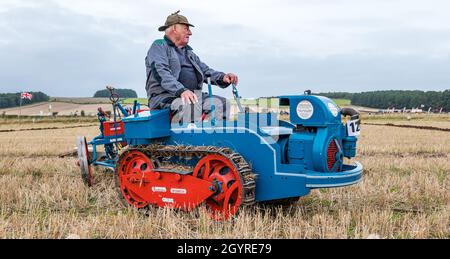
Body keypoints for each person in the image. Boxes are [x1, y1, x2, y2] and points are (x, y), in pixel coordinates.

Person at [145, 11, 239, 123]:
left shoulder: (189, 53)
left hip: (191, 97)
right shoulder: (159, 46)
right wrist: (181, 90)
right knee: (189, 107)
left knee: (223, 104)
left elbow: (205, 71)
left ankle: (213, 137)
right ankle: (186, 140)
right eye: (186, 29)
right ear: (174, 28)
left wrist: (223, 77)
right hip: (164, 97)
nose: (190, 33)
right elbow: (161, 73)